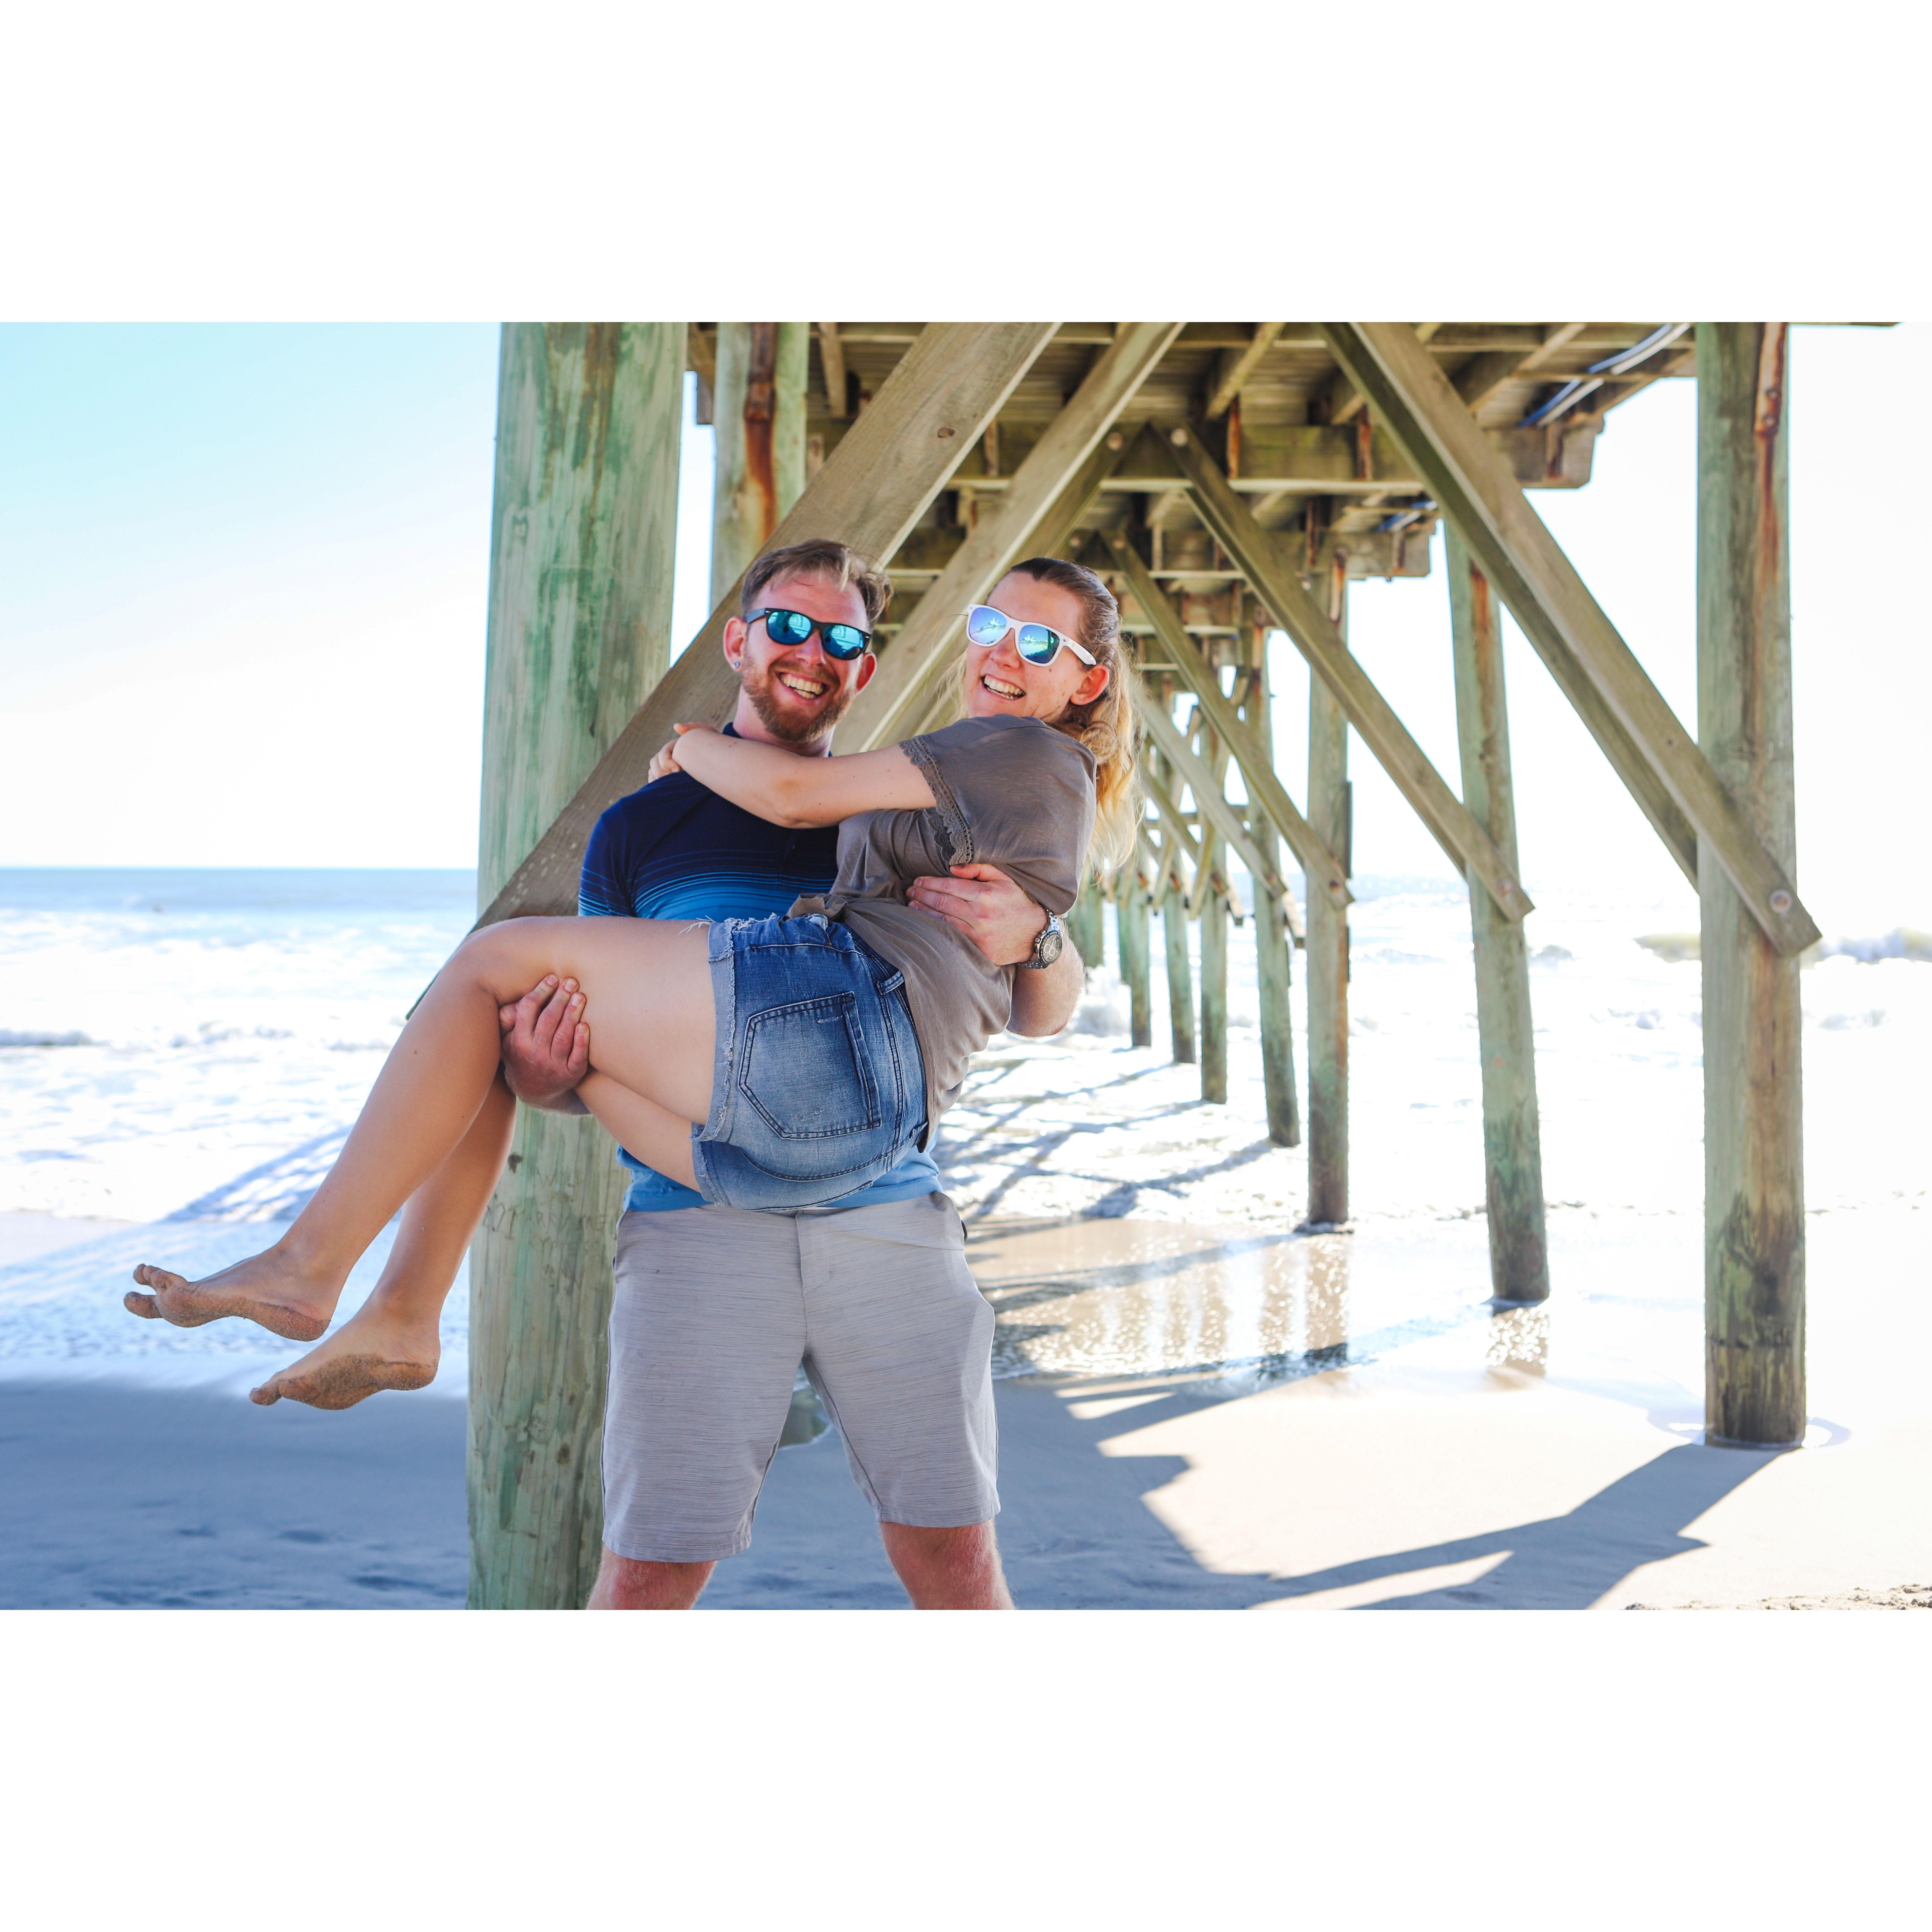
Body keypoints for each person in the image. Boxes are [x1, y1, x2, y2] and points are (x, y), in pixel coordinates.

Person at [124, 542, 1137, 1606]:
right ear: (737, 641)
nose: (812, 651)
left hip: (880, 1201)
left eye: (841, 637)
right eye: (788, 626)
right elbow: (572, 1059)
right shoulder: (641, 828)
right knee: (646, 1572)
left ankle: (356, 1284)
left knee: (954, 1559)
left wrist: (1042, 938)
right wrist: (542, 1070)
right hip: (707, 1201)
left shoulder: (883, 799)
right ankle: (383, 1305)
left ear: (866, 667)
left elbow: (1029, 1004)